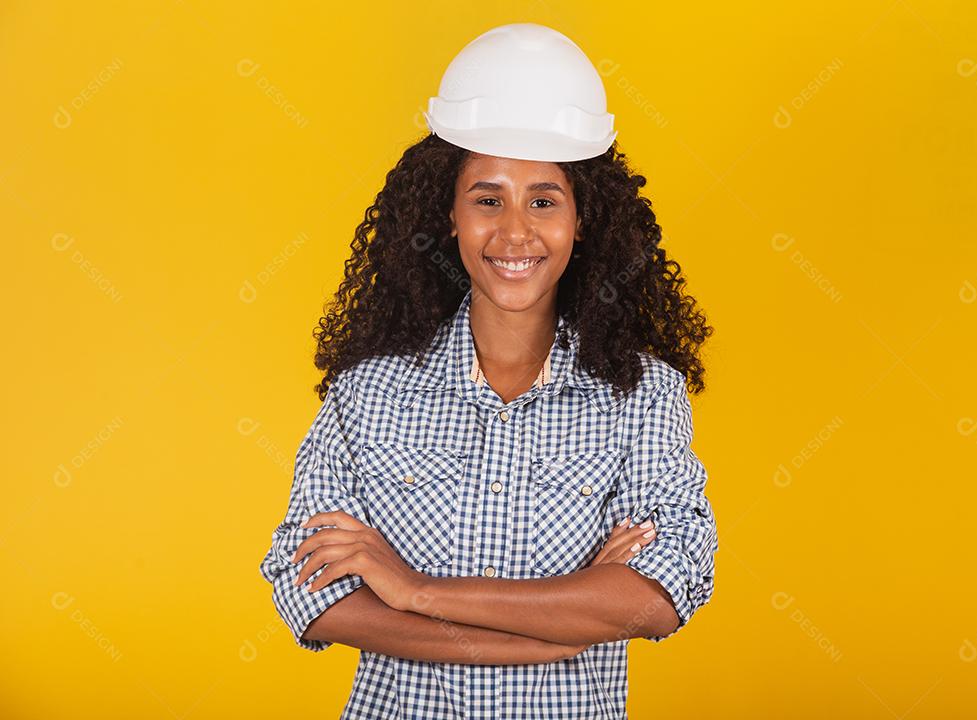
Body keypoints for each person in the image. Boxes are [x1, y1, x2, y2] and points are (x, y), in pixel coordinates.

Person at [259, 22, 718, 719]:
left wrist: (414, 591)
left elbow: (661, 593)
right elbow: (310, 594)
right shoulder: (368, 392)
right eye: (487, 198)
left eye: (543, 199)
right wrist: (559, 626)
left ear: (581, 219)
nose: (514, 232)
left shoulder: (642, 397)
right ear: (449, 214)